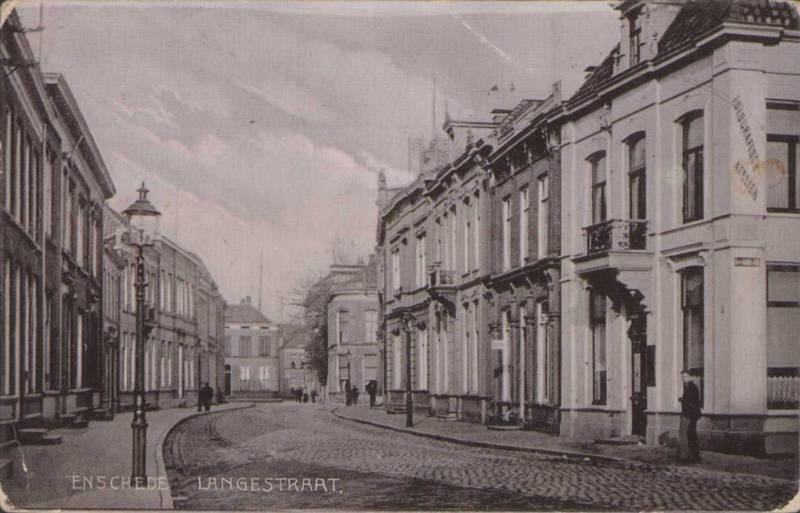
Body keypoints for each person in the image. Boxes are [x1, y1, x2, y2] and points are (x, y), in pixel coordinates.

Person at [678, 370, 702, 462]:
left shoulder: (691, 387)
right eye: (682, 377)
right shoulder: (689, 386)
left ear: (690, 377)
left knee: (683, 433)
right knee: (691, 434)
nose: (683, 378)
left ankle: (685, 456)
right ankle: (695, 456)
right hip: (691, 414)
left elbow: (690, 402)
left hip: (688, 415)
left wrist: (681, 399)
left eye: (685, 376)